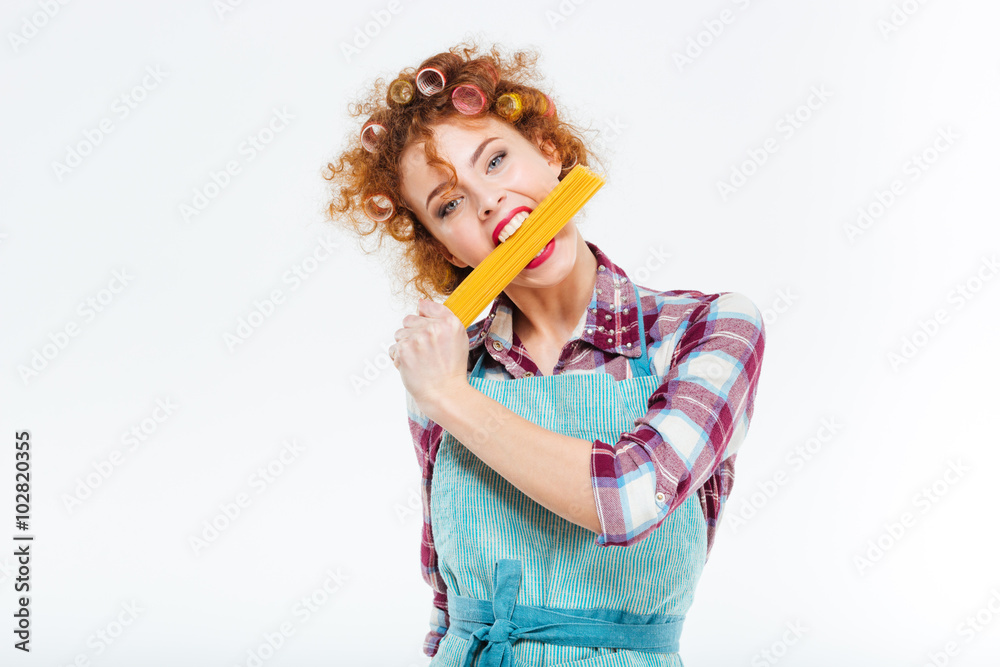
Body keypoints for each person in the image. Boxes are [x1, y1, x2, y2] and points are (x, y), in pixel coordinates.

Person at [324, 41, 767, 666]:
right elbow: (446, 590)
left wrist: (450, 398)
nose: (486, 201)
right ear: (449, 250)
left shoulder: (708, 327)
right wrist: (441, 389)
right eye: (449, 205)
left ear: (551, 153)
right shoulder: (450, 368)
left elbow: (631, 497)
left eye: (497, 160)